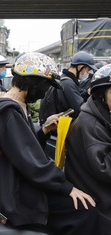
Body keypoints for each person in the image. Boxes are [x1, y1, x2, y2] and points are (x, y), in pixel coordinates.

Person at [0, 52, 103, 234]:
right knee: (85, 210)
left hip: (14, 184)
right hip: (14, 193)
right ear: (34, 81)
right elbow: (31, 161)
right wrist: (66, 187)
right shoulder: (9, 113)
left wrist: (45, 129)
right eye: (46, 85)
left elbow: (23, 147)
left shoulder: (13, 104)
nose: (45, 92)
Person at [65, 64, 111, 230]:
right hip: (99, 199)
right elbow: (104, 168)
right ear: (101, 95)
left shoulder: (100, 116)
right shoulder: (91, 124)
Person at [54, 51, 97, 119]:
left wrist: (87, 93)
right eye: (88, 70)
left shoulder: (67, 80)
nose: (88, 73)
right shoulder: (67, 83)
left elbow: (78, 93)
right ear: (80, 67)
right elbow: (80, 108)